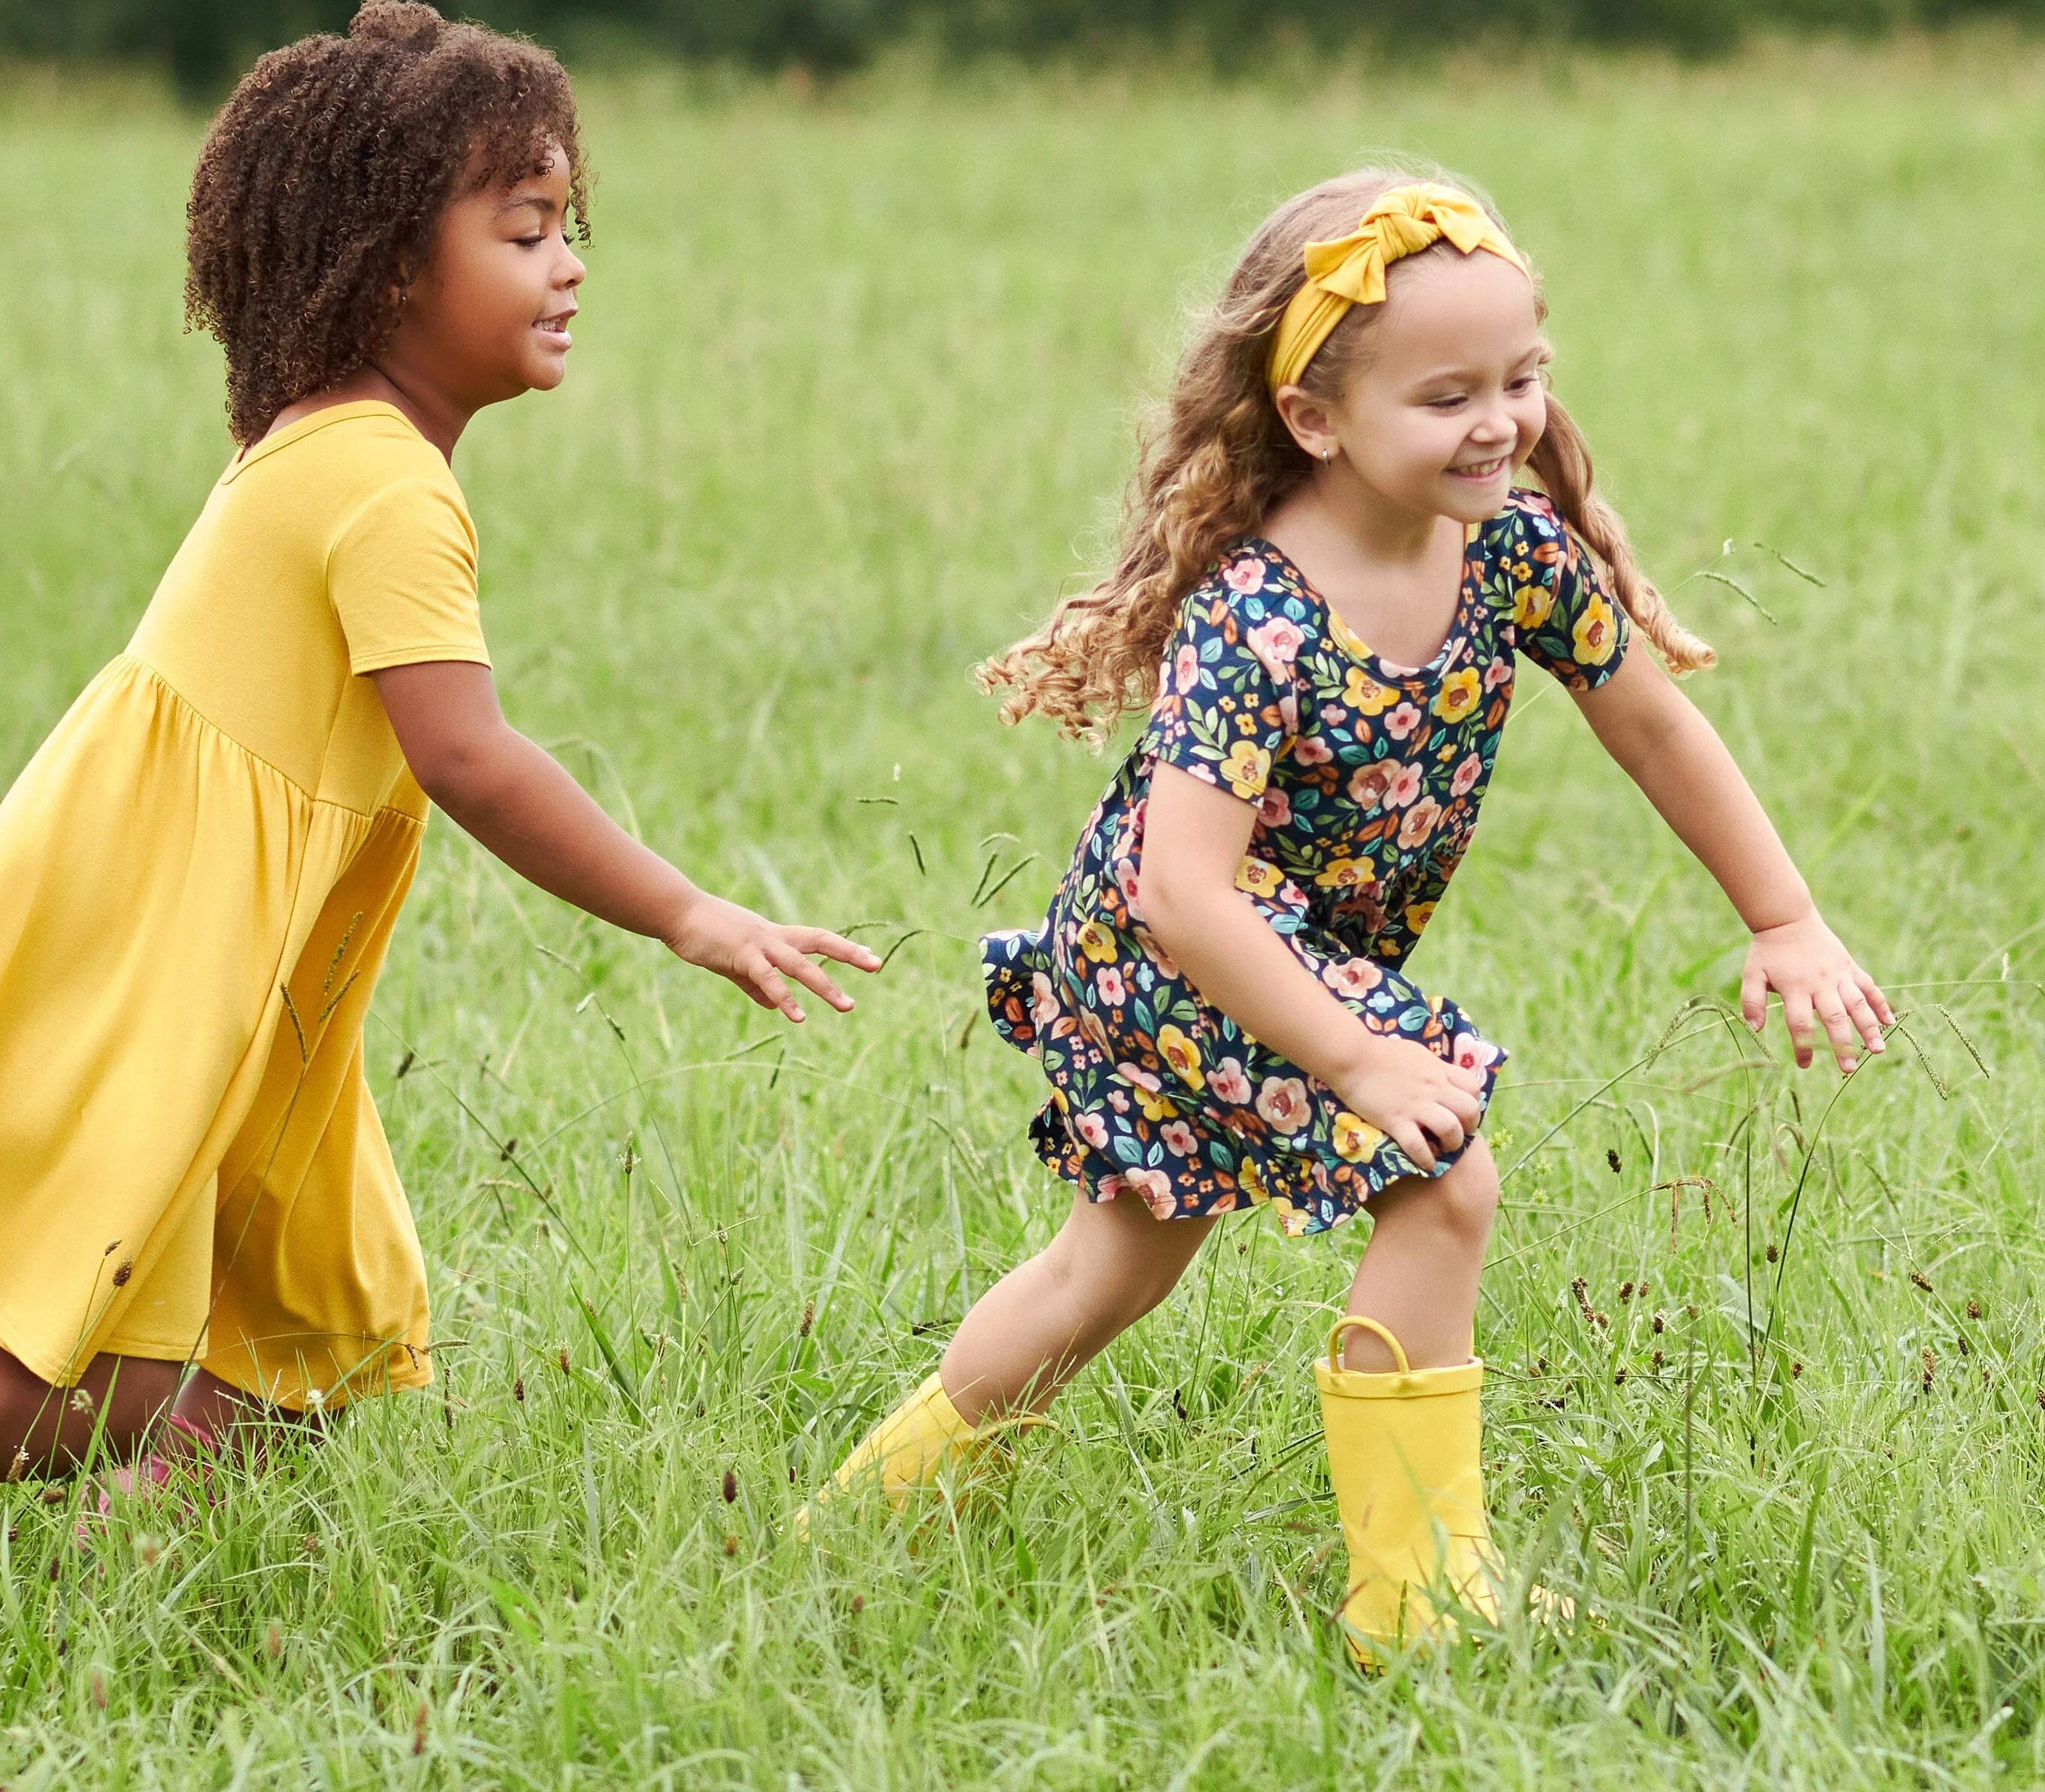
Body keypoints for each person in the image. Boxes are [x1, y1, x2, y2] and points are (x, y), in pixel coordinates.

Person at [0, 0, 877, 1542]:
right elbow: (471, 758)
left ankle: (130, 1617)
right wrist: (691, 914)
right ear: (386, 269)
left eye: (572, 227)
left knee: (300, 1349)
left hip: (247, 974)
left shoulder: (338, 445)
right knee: (114, 1381)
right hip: (188, 966)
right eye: (525, 230)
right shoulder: (382, 487)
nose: (571, 266)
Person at [804, 170, 1889, 1659]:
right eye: (1446, 395)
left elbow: (1654, 728)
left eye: (1523, 376)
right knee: (1439, 1178)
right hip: (1174, 957)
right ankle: (1417, 1600)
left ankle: (849, 1533)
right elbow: (1185, 890)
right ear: (1316, 420)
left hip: (1247, 954)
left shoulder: (1509, 552)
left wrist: (1787, 919)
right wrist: (1365, 1061)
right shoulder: (1259, 617)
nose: (1501, 421)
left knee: (1108, 1267)